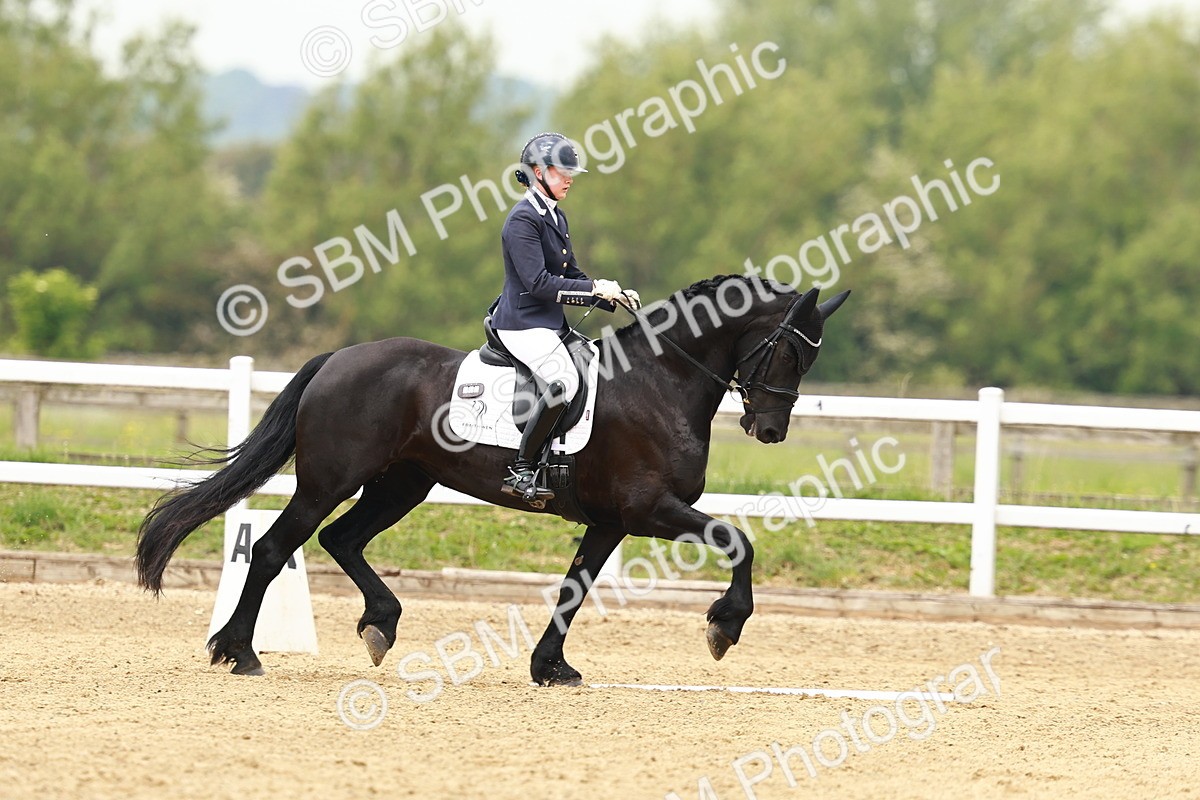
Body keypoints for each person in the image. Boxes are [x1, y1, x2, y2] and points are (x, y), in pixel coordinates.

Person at [490, 132, 640, 503]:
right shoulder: (522, 221)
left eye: (572, 172)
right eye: (562, 172)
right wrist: (591, 292)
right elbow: (539, 283)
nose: (570, 178)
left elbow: (569, 272)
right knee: (563, 380)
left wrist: (609, 292)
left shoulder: (554, 214)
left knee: (597, 369)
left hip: (549, 323)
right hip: (522, 324)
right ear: (538, 172)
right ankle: (522, 468)